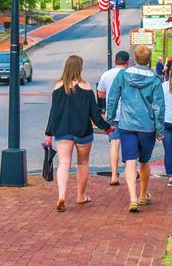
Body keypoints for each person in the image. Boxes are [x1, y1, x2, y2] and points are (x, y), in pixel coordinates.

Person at [45, 55, 113, 212]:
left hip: (62, 130)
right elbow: (94, 114)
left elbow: (53, 113)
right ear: (79, 68)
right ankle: (80, 196)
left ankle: (61, 196)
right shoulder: (86, 87)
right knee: (82, 163)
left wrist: (48, 133)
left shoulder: (57, 87)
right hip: (82, 131)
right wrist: (107, 128)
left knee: (63, 163)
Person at [106, 45, 164, 213]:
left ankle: (132, 198)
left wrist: (110, 119)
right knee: (144, 161)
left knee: (130, 160)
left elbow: (112, 98)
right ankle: (142, 195)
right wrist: (160, 129)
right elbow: (159, 107)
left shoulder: (123, 75)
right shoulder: (155, 80)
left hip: (126, 124)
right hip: (147, 126)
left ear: (134, 59)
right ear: (150, 59)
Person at [97, 50, 131, 186]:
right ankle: (131, 171)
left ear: (115, 61)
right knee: (130, 143)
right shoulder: (130, 74)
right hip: (129, 113)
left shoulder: (106, 75)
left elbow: (100, 94)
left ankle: (113, 175)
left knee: (114, 144)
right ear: (127, 62)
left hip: (113, 114)